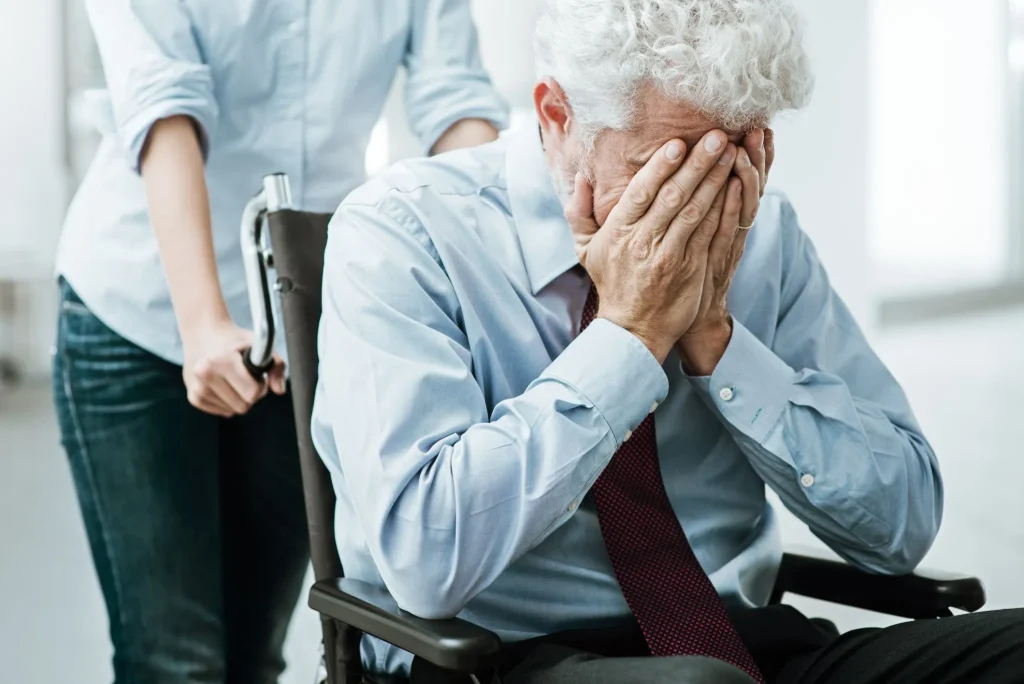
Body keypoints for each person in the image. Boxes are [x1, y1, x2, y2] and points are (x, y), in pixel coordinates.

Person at [311, 1, 1024, 683]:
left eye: (735, 158)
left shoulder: (764, 235)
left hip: (744, 642)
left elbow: (900, 526)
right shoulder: (402, 232)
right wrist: (628, 337)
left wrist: (719, 339)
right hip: (503, 660)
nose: (704, 202)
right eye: (671, 167)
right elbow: (427, 557)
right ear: (558, 118)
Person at [51, 2, 508, 682]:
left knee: (255, 654)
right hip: (142, 307)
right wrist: (203, 322)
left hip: (303, 322)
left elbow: (456, 101)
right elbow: (162, 100)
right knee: (176, 660)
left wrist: (490, 278)